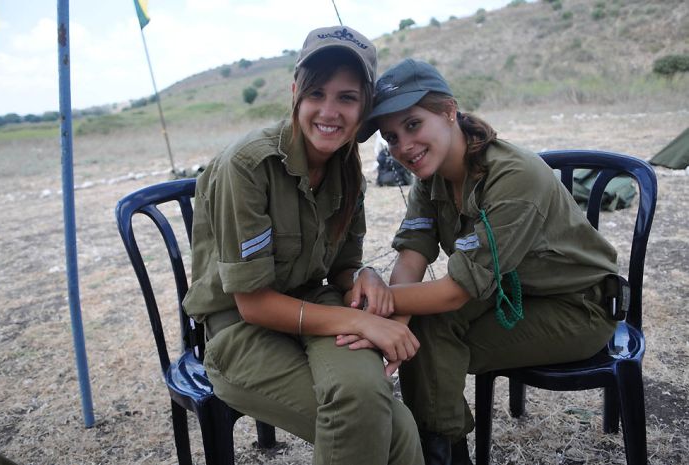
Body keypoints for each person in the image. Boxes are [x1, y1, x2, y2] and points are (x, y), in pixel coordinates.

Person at [345, 59, 619, 465]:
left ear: (449, 111)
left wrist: (377, 313)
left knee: (431, 345)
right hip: (509, 290)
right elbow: (413, 254)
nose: (403, 147)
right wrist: (390, 322)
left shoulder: (514, 177)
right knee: (421, 328)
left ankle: (440, 455)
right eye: (391, 137)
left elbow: (456, 291)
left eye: (413, 125)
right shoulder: (430, 176)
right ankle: (443, 451)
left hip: (579, 306)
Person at [182, 28, 424, 465]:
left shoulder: (347, 170)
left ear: (365, 105)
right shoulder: (248, 166)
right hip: (241, 330)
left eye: (347, 98)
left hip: (313, 302)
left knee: (380, 409)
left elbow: (344, 267)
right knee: (384, 424)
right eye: (317, 93)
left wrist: (364, 276)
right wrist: (364, 323)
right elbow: (253, 305)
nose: (329, 112)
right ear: (295, 93)